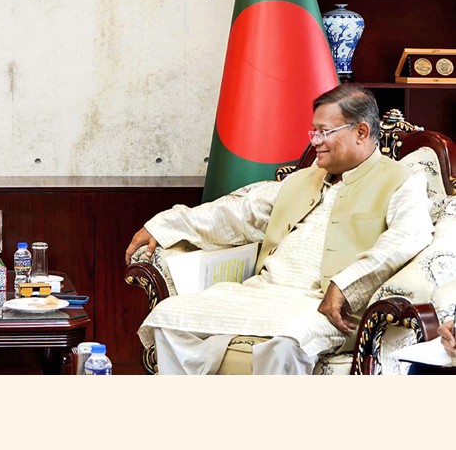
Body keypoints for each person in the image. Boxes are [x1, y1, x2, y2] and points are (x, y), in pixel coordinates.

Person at [124, 84, 434, 374]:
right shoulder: (302, 179)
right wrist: (164, 225)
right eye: (314, 131)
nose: (315, 141)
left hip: (320, 303)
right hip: (263, 293)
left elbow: (408, 237)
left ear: (361, 132)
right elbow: (237, 214)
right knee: (169, 318)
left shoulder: (401, 181)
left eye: (324, 132)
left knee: (289, 339)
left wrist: (344, 285)